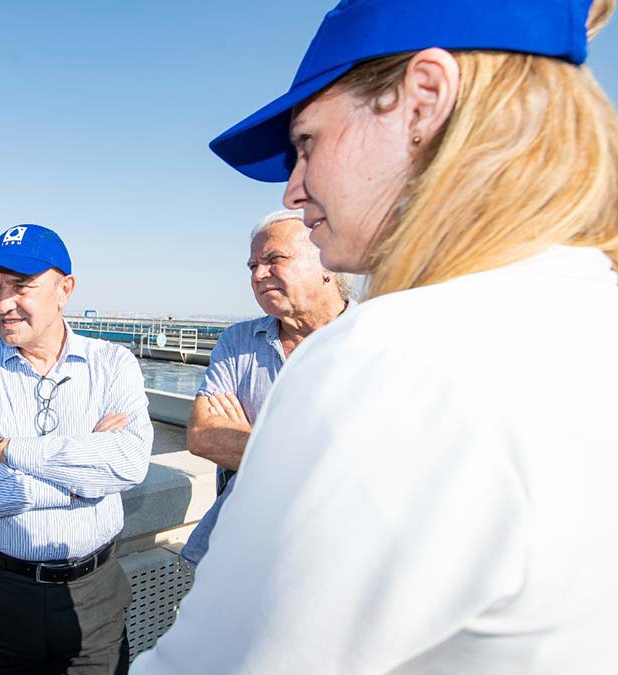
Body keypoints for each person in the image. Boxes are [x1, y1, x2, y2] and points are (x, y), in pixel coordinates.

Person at [134, 0, 618, 672]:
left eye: (305, 143)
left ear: (423, 102)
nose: (296, 191)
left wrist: (269, 442)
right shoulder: (584, 314)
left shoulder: (387, 358)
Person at [0, 224, 153, 674]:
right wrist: (79, 477)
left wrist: (6, 449)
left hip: (95, 594)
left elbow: (128, 463)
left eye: (22, 286)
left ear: (64, 290)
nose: (3, 303)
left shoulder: (112, 365)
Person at [179, 208, 352, 565]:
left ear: (328, 264)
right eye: (252, 265)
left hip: (337, 559)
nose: (258, 274)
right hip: (238, 554)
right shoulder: (239, 341)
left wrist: (248, 439)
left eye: (274, 259)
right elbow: (202, 435)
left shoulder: (376, 340)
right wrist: (318, 456)